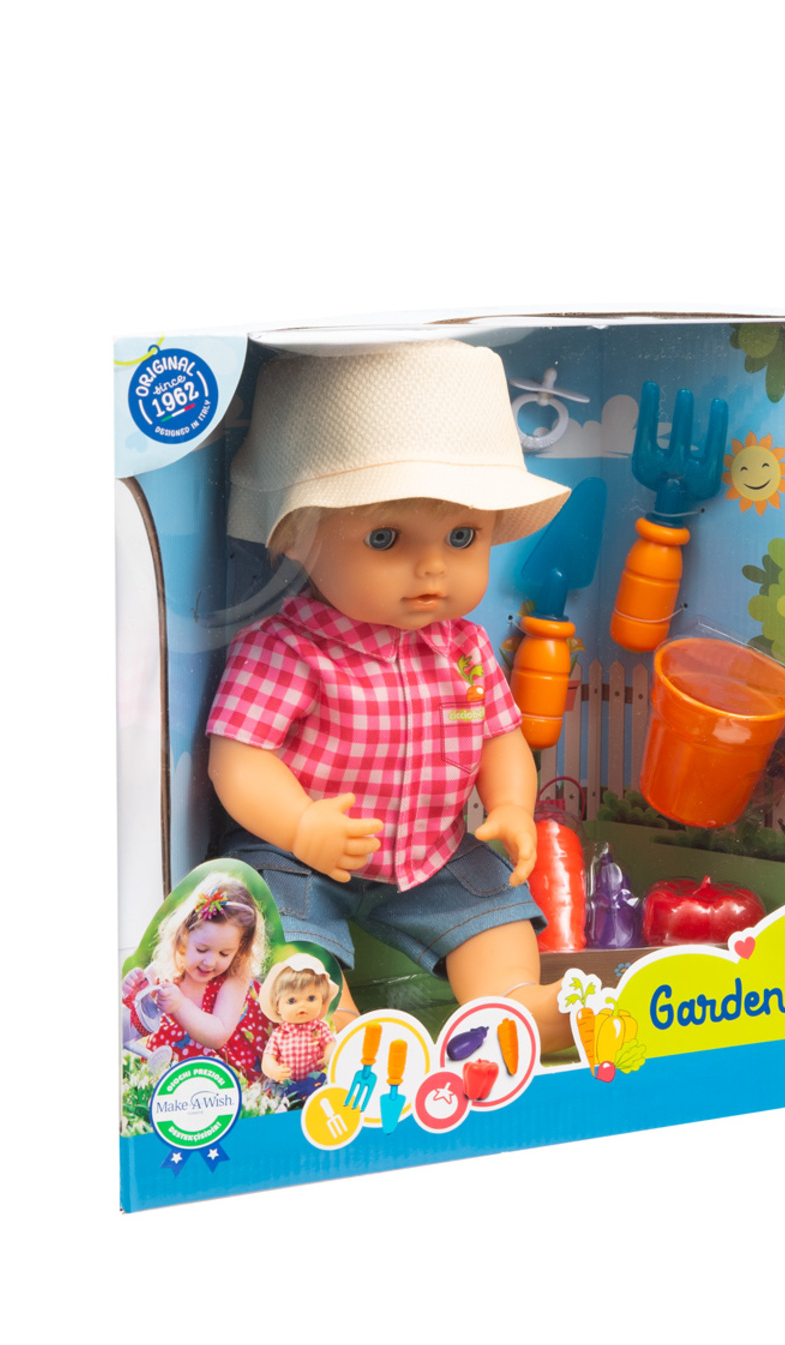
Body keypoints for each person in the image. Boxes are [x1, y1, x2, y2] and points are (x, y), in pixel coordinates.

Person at [207, 339, 574, 1052]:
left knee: (491, 896)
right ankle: (329, 1024)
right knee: (277, 918)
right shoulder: (287, 647)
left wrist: (510, 807)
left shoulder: (465, 648)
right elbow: (237, 758)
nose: (432, 567)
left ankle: (512, 1004)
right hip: (304, 850)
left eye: (462, 536)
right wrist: (299, 824)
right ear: (299, 538)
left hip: (434, 847)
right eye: (385, 537)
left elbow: (501, 737)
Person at [140, 874, 275, 1079]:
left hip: (227, 1074)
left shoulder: (235, 978)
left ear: (240, 948)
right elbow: (133, 1007)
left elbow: (218, 1035)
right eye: (202, 949)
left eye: (224, 953)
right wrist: (133, 987)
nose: (210, 962)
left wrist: (179, 1005)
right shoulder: (165, 968)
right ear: (184, 935)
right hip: (174, 1075)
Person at [260, 953, 353, 1091]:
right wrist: (274, 1070)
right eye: (292, 1001)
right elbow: (268, 1058)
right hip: (288, 1084)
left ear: (322, 1001)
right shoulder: (280, 1034)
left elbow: (330, 1044)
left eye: (311, 998)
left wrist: (329, 1054)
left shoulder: (319, 1028)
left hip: (316, 1080)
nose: (302, 1005)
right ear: (278, 1006)